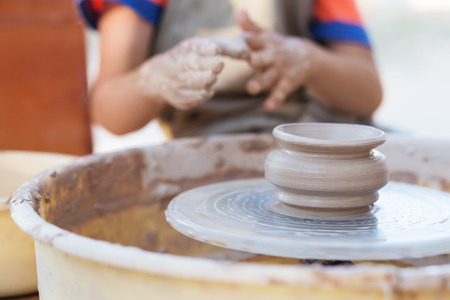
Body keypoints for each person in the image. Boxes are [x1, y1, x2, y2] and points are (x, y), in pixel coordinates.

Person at [77, 0, 383, 138]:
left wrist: (309, 61)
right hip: (206, 150)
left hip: (316, 140)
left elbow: (369, 92)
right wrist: (153, 80)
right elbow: (108, 110)